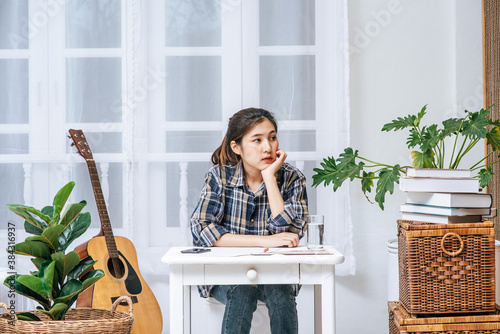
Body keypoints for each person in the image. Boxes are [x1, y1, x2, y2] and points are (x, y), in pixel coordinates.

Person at [190, 107, 309, 334]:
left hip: (274, 273)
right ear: (237, 147)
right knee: (243, 290)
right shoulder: (219, 176)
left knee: (280, 290)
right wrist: (264, 241)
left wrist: (269, 178)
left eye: (272, 137)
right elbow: (202, 229)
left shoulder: (293, 178)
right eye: (257, 140)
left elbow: (290, 234)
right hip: (224, 274)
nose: (268, 147)